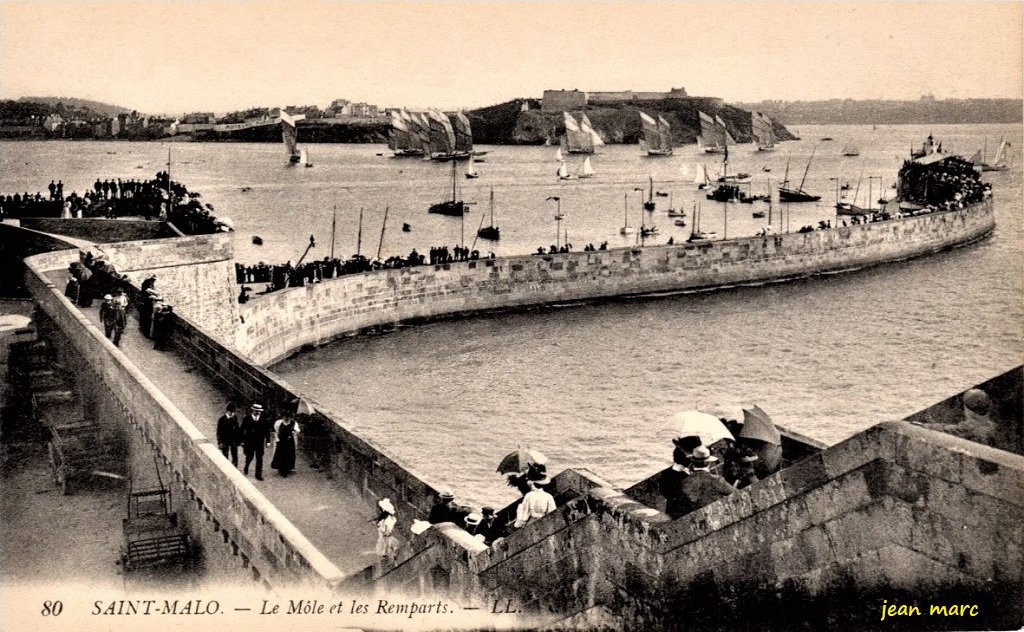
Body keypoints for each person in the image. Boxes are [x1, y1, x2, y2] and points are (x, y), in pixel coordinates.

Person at [674, 446, 736, 517]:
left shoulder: (684, 482)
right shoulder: (716, 480)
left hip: (699, 518)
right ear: (708, 463)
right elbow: (735, 493)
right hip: (718, 515)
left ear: (693, 462)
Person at [924, 388, 997, 447]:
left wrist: (926, 426)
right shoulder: (992, 426)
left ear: (968, 411)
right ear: (989, 406)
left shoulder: (966, 429)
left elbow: (946, 429)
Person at [659, 446, 692, 519]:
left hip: (671, 510)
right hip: (684, 512)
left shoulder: (665, 473)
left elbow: (662, 490)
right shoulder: (686, 477)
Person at [241, 403, 271, 480]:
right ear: (253, 411)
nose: (258, 413)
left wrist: (268, 441)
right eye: (256, 411)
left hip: (259, 442)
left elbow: (267, 431)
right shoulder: (247, 419)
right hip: (249, 442)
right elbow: (242, 430)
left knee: (259, 458)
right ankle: (246, 467)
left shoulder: (264, 420)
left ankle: (258, 475)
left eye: (259, 411)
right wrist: (241, 441)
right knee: (249, 456)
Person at [270, 412, 300, 477]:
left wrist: (295, 431)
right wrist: (277, 439)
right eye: (286, 416)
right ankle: (281, 468)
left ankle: (287, 469)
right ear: (283, 417)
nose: (287, 418)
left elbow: (297, 431)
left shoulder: (294, 423)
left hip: (290, 442)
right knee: (281, 455)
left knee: (288, 455)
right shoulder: (278, 423)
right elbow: (275, 432)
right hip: (281, 441)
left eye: (288, 417)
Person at [374, 498, 399, 566]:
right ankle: (392, 561)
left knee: (388, 549)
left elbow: (385, 530)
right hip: (384, 536)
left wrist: (384, 530)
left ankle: (392, 562)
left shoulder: (387, 520)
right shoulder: (388, 518)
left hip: (385, 537)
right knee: (387, 550)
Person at [216, 402, 241, 467]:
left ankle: (235, 468)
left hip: (233, 439)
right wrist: (220, 442)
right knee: (225, 455)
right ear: (229, 411)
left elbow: (237, 429)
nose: (233, 413)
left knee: (235, 455)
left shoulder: (234, 418)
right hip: (225, 440)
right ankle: (225, 467)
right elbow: (219, 432)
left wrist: (239, 440)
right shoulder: (221, 420)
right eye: (232, 412)